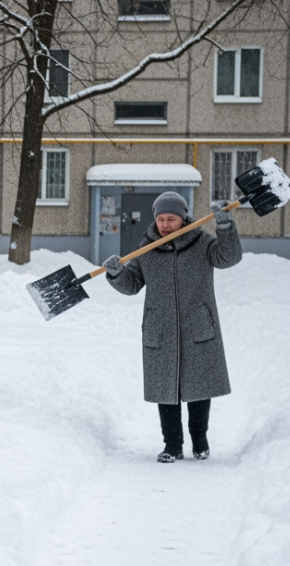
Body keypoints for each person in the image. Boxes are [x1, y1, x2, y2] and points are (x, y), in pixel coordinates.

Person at [103, 191, 243, 463]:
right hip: (161, 329)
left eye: (171, 219)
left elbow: (229, 257)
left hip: (197, 325)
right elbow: (132, 285)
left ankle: (200, 440)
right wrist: (117, 274)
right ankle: (172, 445)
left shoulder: (202, 242)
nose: (165, 225)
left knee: (199, 385)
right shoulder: (147, 249)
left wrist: (225, 227)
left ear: (183, 218)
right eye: (161, 219)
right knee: (166, 389)